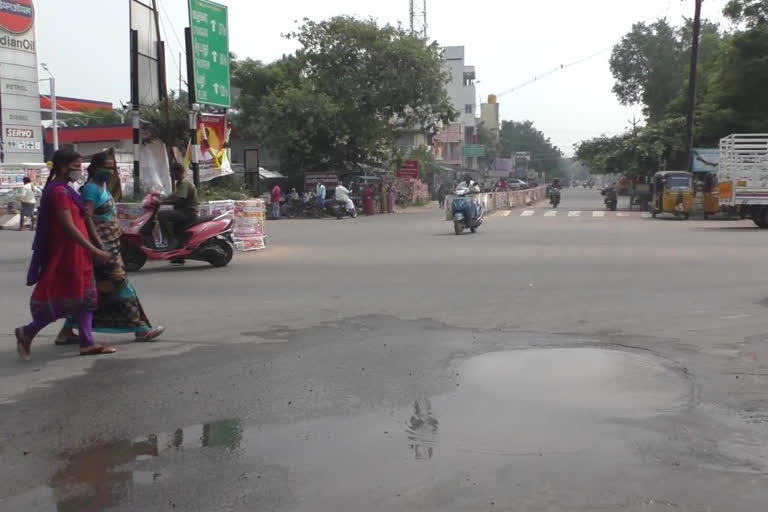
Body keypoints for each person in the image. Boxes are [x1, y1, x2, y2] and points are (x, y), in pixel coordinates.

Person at [54, 152, 164, 346]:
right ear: (95, 168)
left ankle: (66, 330)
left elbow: (107, 216)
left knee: (94, 292)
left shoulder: (102, 187)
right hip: (102, 249)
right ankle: (141, 329)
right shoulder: (90, 190)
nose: (110, 170)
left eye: (112, 167)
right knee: (122, 286)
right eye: (106, 166)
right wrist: (99, 246)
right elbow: (88, 219)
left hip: (111, 247)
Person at [15, 150, 115, 359]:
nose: (80, 170)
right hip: (67, 254)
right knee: (64, 300)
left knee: (86, 298)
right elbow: (69, 227)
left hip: (79, 254)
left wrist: (96, 246)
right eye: (76, 166)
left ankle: (87, 343)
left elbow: (84, 220)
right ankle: (28, 331)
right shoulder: (59, 192)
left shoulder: (69, 190)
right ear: (62, 167)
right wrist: (95, 249)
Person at [158, 163, 199, 250]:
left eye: (172, 172)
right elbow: (173, 196)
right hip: (184, 211)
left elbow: (179, 201)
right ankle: (178, 252)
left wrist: (163, 202)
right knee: (172, 225)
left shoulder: (184, 183)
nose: (170, 174)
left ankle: (172, 241)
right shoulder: (179, 183)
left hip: (188, 212)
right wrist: (160, 198)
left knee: (162, 215)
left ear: (178, 172)